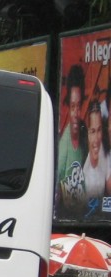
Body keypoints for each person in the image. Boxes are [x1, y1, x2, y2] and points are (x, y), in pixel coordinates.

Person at [57, 64, 87, 208]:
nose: (76, 113)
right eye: (73, 106)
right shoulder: (64, 146)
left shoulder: (85, 134)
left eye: (79, 106)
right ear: (68, 106)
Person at [82, 100, 110, 199]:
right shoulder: (86, 177)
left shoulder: (103, 149)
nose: (97, 139)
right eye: (92, 131)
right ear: (87, 134)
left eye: (99, 130)